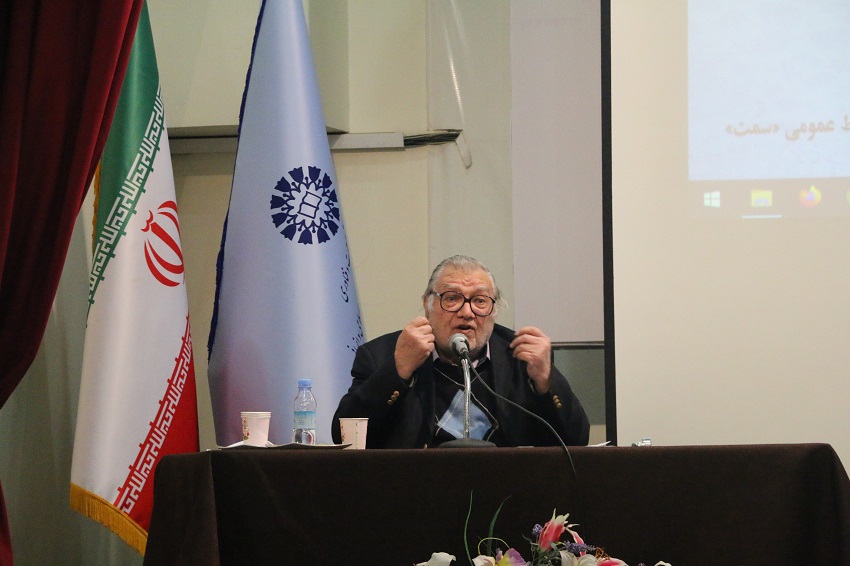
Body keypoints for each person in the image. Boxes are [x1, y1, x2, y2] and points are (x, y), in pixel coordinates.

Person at [332, 255, 590, 448]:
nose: (467, 312)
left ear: (494, 310)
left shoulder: (521, 357)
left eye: (480, 301)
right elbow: (344, 437)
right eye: (452, 298)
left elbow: (576, 440)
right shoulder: (383, 355)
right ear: (428, 304)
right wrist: (397, 371)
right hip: (416, 494)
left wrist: (545, 381)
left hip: (508, 493)